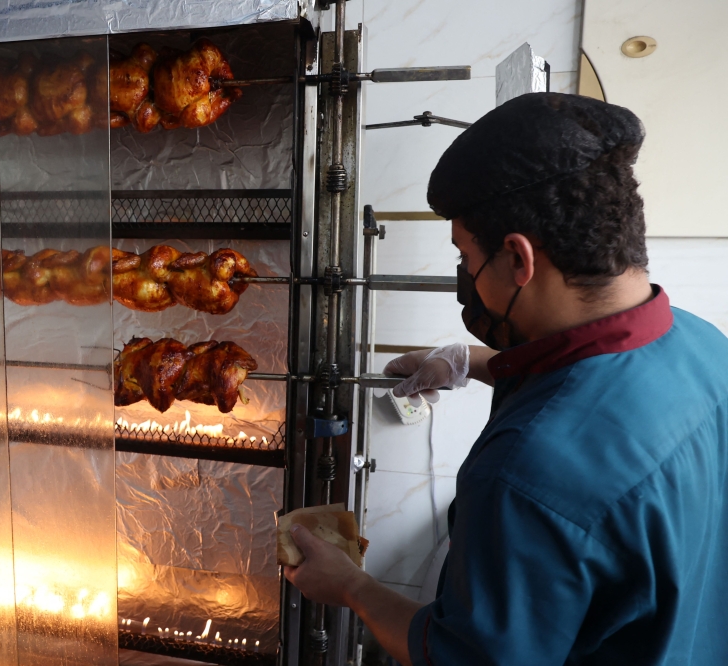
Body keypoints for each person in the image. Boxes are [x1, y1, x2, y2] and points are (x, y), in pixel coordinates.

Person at [283, 93, 728, 665]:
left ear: (519, 259)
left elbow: (459, 657)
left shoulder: (525, 474)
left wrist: (351, 587)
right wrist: (468, 361)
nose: (466, 275)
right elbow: (598, 390)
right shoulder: (703, 345)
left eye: (466, 257)